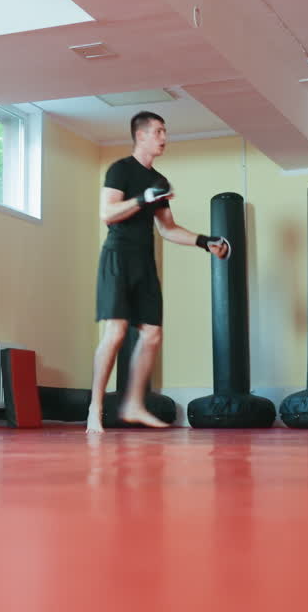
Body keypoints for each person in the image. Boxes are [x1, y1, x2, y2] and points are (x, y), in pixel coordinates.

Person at [89, 111, 230, 434]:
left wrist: (204, 241)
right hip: (118, 258)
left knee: (152, 333)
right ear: (140, 136)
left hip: (144, 261)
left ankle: (134, 403)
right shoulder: (120, 169)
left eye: (165, 131)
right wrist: (141, 199)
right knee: (116, 333)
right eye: (158, 131)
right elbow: (107, 214)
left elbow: (167, 229)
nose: (164, 137)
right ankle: (94, 409)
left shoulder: (159, 181)